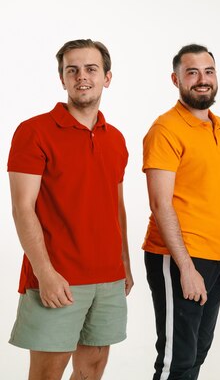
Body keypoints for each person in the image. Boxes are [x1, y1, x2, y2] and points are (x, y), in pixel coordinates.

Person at [7, 39, 133, 380]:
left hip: (108, 278)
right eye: (71, 70)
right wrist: (45, 273)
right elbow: (22, 208)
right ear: (62, 79)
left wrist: (125, 263)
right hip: (58, 275)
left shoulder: (116, 138)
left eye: (91, 69)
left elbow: (116, 206)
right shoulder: (33, 132)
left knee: (92, 369)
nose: (82, 77)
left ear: (107, 77)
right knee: (47, 374)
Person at [142, 44, 220, 379]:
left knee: (197, 354)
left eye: (209, 71)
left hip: (216, 260)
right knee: (176, 359)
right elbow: (160, 203)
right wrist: (185, 266)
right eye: (192, 72)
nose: (202, 80)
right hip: (177, 257)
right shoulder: (166, 129)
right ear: (176, 79)